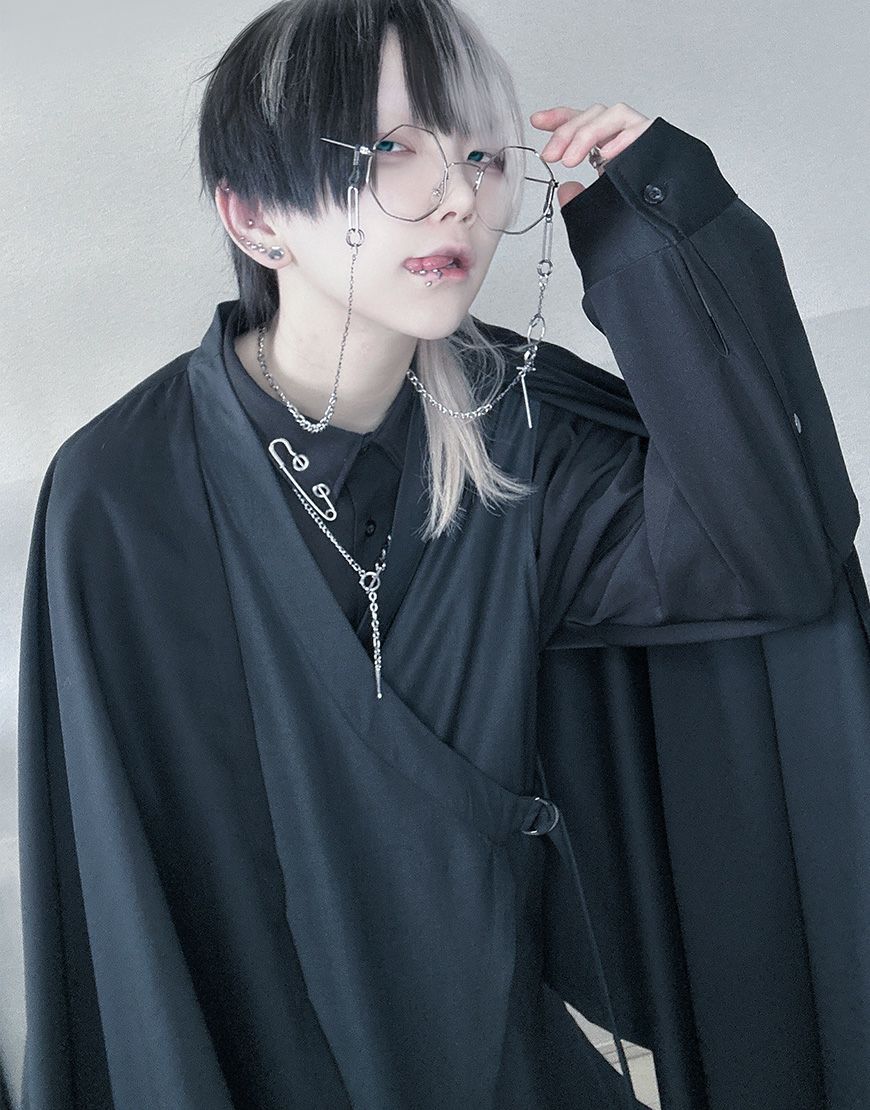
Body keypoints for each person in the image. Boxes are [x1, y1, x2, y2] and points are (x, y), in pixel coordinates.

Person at [16, 1, 870, 1108]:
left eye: (481, 154)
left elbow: (775, 557)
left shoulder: (518, 430)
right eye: (391, 150)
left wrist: (662, 228)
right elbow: (130, 912)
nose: (459, 194)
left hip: (516, 1049)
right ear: (254, 215)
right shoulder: (123, 496)